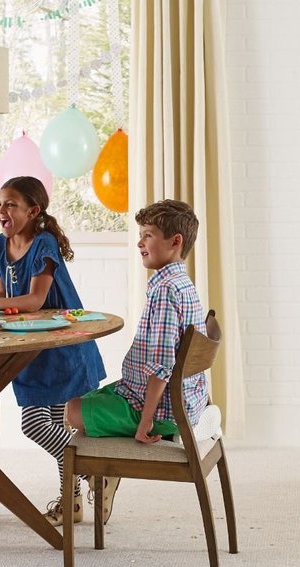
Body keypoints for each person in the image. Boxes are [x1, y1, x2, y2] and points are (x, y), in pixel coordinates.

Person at [0, 176, 106, 526]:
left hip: (61, 347)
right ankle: (74, 501)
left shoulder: (43, 244)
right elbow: (6, 297)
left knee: (38, 425)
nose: (2, 211)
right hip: (30, 348)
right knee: (49, 424)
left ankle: (93, 472)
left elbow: (34, 300)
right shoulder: (0, 245)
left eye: (11, 204)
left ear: (33, 210)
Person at [65, 199, 210, 523]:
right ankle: (98, 476)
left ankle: (97, 474)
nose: (139, 242)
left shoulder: (164, 291)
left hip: (161, 409)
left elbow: (161, 365)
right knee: (88, 398)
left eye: (148, 235)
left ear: (175, 242)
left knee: (72, 411)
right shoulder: (182, 284)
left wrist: (145, 421)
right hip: (171, 398)